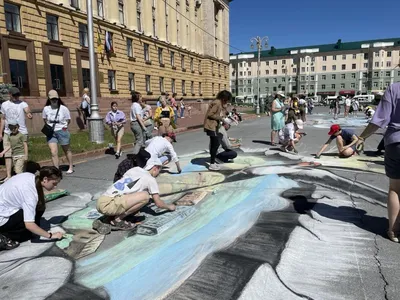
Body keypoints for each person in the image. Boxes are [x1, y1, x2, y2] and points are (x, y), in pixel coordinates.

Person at [356, 83, 400, 242]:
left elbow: (380, 119)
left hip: (396, 142)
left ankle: (394, 230)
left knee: (395, 188)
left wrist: (362, 137)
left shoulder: (394, 89)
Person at [95, 157, 176, 232]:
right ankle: (117, 220)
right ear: (155, 168)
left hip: (102, 201)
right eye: (159, 170)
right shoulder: (150, 179)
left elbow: (126, 185)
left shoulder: (135, 169)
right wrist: (170, 207)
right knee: (145, 196)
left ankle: (109, 216)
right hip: (109, 205)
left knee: (137, 199)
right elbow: (158, 203)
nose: (158, 173)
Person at [0, 166, 64, 251]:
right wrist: (51, 235)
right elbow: (29, 225)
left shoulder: (29, 176)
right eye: (54, 183)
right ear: (45, 179)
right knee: (27, 235)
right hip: (2, 218)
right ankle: (3, 237)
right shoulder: (30, 195)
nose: (55, 187)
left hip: (4, 207)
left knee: (38, 209)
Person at [0, 87, 32, 182]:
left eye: (18, 95)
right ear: (10, 94)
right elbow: (3, 118)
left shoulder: (22, 103)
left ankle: (23, 174)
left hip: (21, 131)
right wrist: (0, 133)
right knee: (8, 154)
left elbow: (27, 110)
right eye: (14, 95)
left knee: (22, 153)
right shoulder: (4, 105)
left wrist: (28, 114)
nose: (17, 97)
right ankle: (9, 176)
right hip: (7, 132)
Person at [42, 90, 74, 174]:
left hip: (62, 130)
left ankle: (70, 166)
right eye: (52, 99)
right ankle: (56, 170)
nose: (54, 100)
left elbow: (68, 120)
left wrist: (64, 127)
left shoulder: (63, 108)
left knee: (66, 150)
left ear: (58, 98)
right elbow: (44, 119)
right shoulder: (46, 109)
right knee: (53, 152)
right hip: (51, 132)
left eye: (56, 98)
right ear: (49, 99)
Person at [204, 90, 232, 171]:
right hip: (211, 126)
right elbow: (210, 114)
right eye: (226, 100)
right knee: (215, 144)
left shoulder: (219, 103)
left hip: (213, 126)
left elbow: (220, 113)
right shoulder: (217, 103)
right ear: (224, 98)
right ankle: (212, 164)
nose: (226, 101)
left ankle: (213, 162)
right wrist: (221, 119)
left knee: (215, 144)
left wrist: (224, 113)